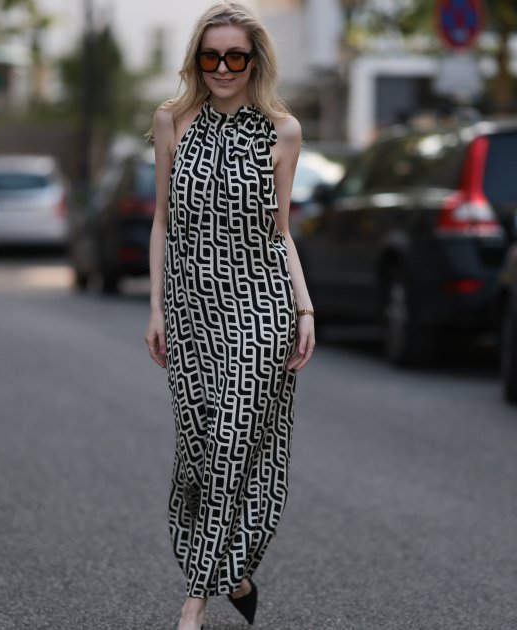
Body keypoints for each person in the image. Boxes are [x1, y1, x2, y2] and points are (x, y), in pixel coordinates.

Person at [143, 3, 316, 629]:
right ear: (196, 60)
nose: (222, 68)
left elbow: (280, 232)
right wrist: (156, 306)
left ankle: (194, 603)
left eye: (235, 57)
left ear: (254, 62)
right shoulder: (171, 121)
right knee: (198, 449)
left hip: (261, 307)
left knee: (232, 443)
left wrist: (304, 307)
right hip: (190, 308)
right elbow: (162, 221)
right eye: (210, 56)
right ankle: (233, 573)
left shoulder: (282, 132)